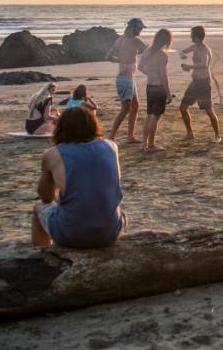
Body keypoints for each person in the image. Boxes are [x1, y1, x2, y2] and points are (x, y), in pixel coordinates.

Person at [31, 106, 125, 248]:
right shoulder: (112, 146)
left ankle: (42, 256)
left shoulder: (52, 154)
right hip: (111, 232)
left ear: (60, 128)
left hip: (72, 235)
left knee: (39, 208)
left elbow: (46, 197)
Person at [106, 18, 148, 144]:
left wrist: (120, 61)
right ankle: (111, 137)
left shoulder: (120, 40)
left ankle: (130, 136)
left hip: (126, 77)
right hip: (125, 79)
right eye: (139, 28)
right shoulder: (134, 40)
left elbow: (107, 57)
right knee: (125, 109)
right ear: (133, 28)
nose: (140, 31)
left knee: (135, 106)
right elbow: (148, 50)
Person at [178, 25, 222, 143]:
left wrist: (189, 66)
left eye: (191, 34)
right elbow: (182, 51)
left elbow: (204, 65)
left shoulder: (205, 49)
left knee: (208, 110)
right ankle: (190, 133)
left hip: (203, 82)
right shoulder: (195, 46)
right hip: (195, 82)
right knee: (183, 108)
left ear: (197, 36)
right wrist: (182, 55)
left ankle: (217, 135)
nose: (190, 36)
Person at [138, 28, 173, 152]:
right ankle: (151, 144)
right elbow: (163, 76)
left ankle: (144, 144)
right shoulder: (162, 55)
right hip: (159, 88)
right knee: (155, 117)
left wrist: (150, 73)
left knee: (148, 116)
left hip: (150, 87)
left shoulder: (148, 51)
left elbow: (140, 67)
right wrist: (168, 93)